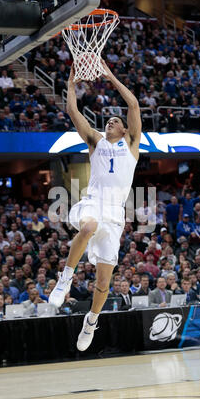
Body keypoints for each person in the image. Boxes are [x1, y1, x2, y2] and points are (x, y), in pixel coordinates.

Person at [49, 60, 141, 351]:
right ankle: (64, 279)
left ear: (125, 130)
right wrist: (71, 84)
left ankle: (91, 319)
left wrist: (111, 75)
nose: (110, 122)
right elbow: (72, 112)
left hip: (115, 217)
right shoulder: (95, 142)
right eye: (108, 120)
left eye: (116, 121)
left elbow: (134, 104)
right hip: (93, 203)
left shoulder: (132, 145)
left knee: (103, 284)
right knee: (88, 225)